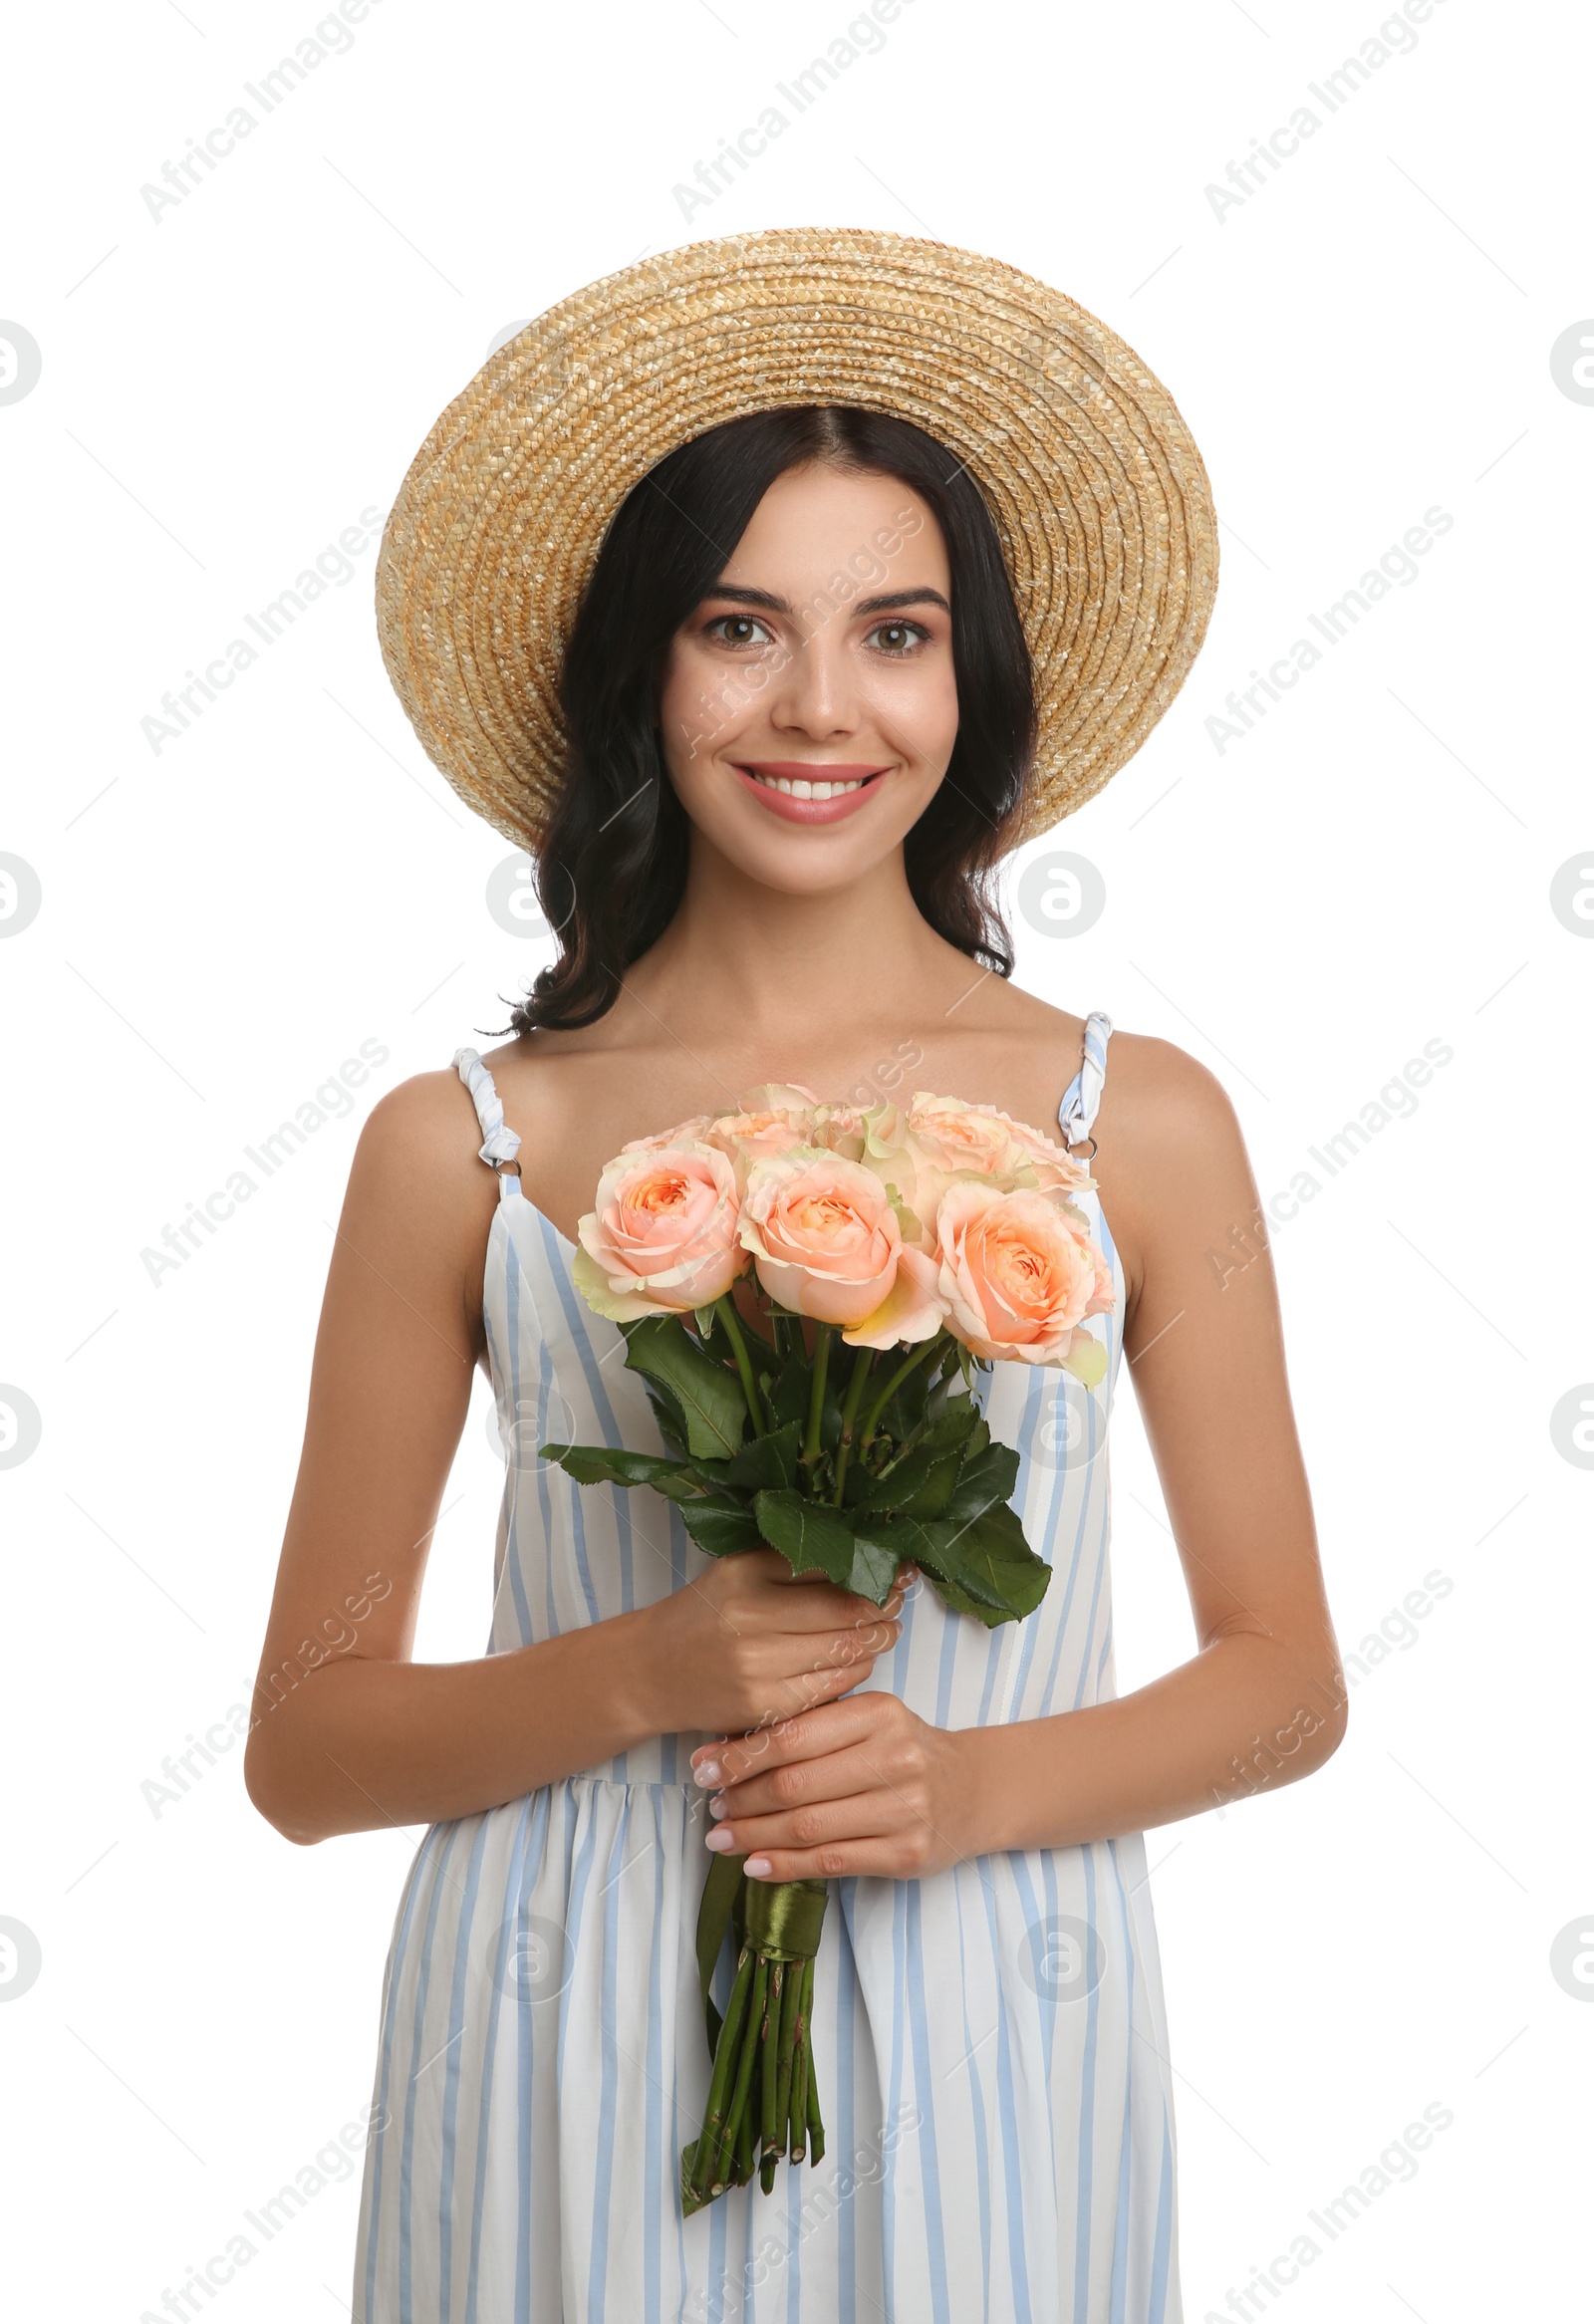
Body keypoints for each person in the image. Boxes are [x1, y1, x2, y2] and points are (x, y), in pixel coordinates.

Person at [244, 230, 1345, 2322]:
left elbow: (1281, 1682)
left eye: (895, 633)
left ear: (969, 681)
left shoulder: (1140, 1124)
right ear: (640, 672)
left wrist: (971, 1787)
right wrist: (637, 1677)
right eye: (738, 625)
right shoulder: (458, 1148)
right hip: (559, 2015)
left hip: (996, 1998)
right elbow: (306, 1747)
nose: (821, 705)